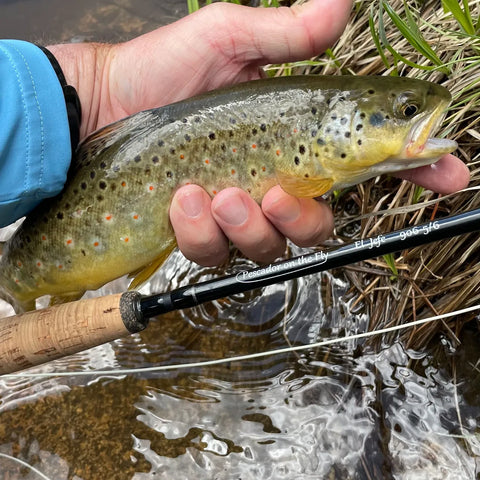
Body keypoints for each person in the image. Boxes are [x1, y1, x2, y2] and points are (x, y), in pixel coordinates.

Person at [0, 0, 469, 267]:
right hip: (57, 232)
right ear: (332, 127)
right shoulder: (317, 163)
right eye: (408, 110)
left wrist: (97, 84)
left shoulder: (321, 159)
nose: (415, 115)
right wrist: (93, 89)